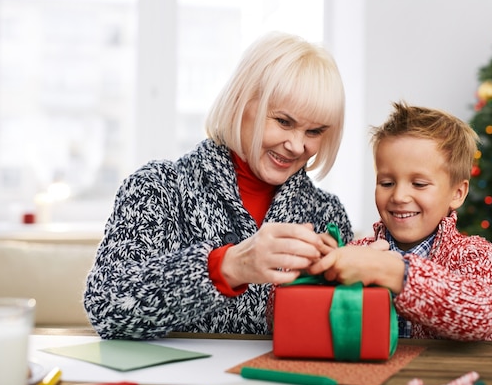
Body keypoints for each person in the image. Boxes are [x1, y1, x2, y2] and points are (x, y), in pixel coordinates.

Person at [83, 32, 353, 339]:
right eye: (283, 122)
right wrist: (225, 268)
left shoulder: (327, 213)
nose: (296, 145)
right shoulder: (157, 188)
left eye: (314, 131)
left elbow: (334, 335)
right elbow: (106, 307)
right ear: (240, 101)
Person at [308, 101, 492, 341]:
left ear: (457, 193)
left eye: (419, 184)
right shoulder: (356, 252)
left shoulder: (476, 256)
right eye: (387, 183)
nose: (399, 196)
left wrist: (395, 273)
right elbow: (282, 318)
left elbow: (484, 314)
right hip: (370, 376)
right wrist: (314, 271)